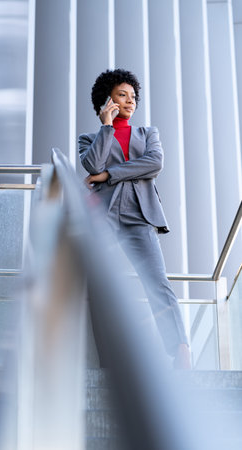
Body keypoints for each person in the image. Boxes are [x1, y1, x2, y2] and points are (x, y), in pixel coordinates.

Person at [78, 69, 191, 369]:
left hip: (140, 217)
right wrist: (106, 127)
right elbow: (91, 163)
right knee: (100, 286)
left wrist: (109, 175)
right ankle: (104, 358)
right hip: (103, 219)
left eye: (133, 96)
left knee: (157, 283)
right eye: (121, 95)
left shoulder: (148, 133)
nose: (130, 101)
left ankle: (179, 349)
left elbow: (154, 163)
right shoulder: (89, 138)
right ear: (107, 100)